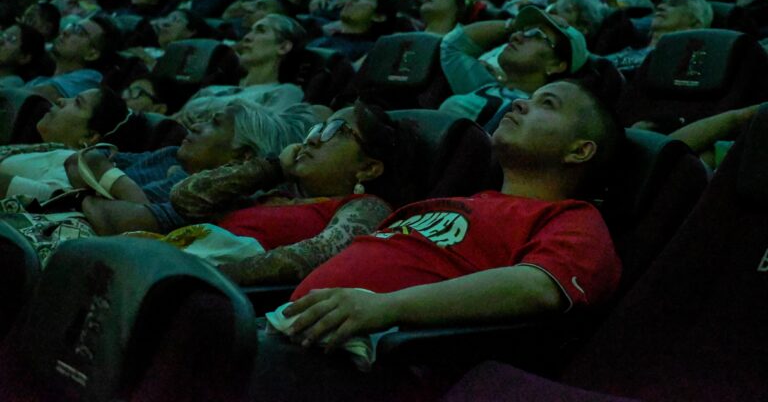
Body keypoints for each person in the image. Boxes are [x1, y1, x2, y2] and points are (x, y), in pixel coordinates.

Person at [245, 79, 623, 401]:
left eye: (547, 104)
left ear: (580, 150)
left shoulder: (573, 219)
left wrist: (387, 307)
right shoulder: (458, 201)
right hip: (291, 331)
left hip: (372, 362)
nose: (521, 101)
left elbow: (538, 287)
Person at [171, 101, 420, 282]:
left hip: (205, 286)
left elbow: (310, 259)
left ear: (368, 168)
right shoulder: (276, 194)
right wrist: (273, 168)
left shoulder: (367, 207)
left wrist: (201, 274)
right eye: (317, 129)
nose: (312, 140)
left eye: (336, 130)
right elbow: (185, 198)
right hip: (177, 264)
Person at [72, 100, 315, 235]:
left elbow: (115, 222)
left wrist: (91, 188)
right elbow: (81, 160)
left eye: (215, 124)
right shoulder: (171, 156)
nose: (196, 126)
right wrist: (129, 193)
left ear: (243, 155)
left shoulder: (213, 201)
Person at [438, 5, 588, 131]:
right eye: (522, 30)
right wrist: (511, 25)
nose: (515, 36)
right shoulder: (486, 86)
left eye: (536, 34)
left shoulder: (527, 118)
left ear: (555, 65)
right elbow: (452, 45)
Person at [0, 87, 133, 200]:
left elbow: (52, 198)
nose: (61, 100)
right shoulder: (41, 150)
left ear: (90, 136)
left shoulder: (72, 168)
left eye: (77, 103)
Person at [173, 14, 306, 126]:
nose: (247, 37)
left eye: (261, 30)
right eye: (249, 31)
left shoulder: (286, 91)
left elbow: (271, 135)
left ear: (283, 47)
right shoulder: (213, 90)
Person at [606, 0, 713, 70]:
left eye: (674, 4)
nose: (659, 7)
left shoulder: (677, 65)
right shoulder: (626, 44)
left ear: (695, 24)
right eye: (662, 3)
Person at [24, 15, 119, 100]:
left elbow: (21, 98)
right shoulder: (41, 79)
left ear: (92, 54)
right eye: (72, 26)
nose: (65, 32)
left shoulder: (88, 81)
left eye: (79, 31)